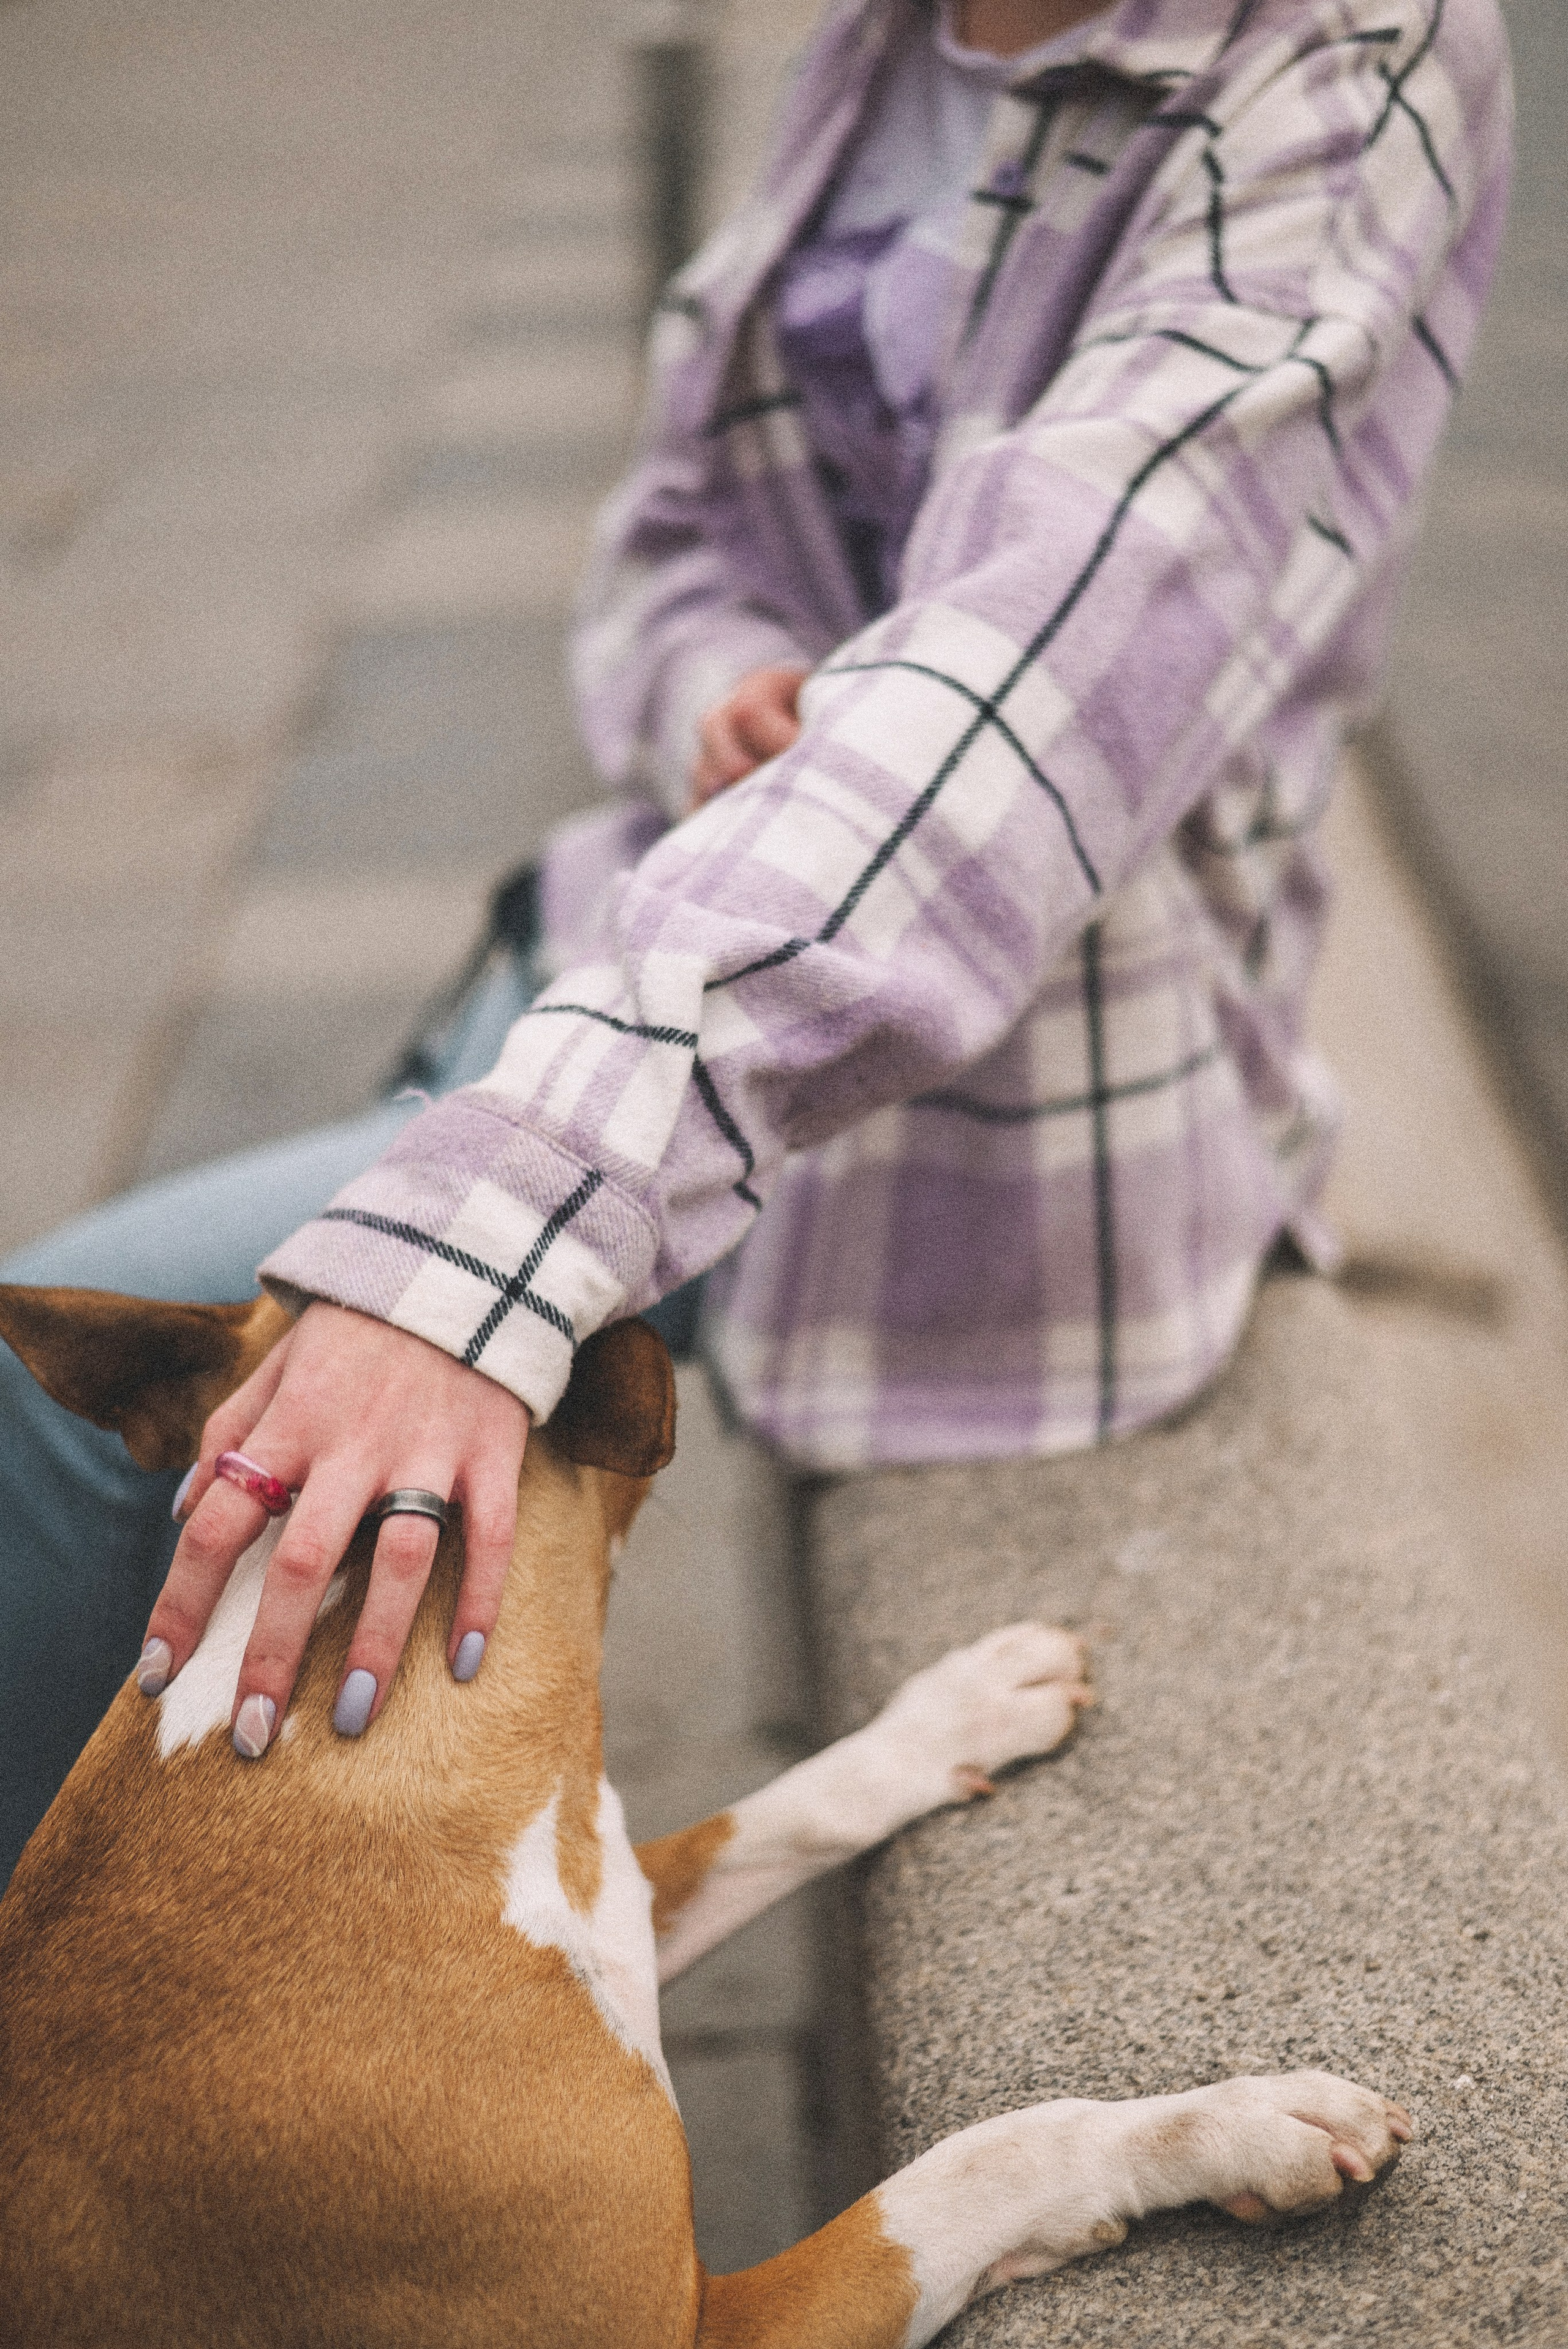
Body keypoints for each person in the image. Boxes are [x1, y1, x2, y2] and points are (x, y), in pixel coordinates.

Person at [0, 0, 1511, 1879]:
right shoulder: (892, 34)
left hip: (949, 1113)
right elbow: (671, 527)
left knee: (59, 1409)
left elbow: (1018, 706)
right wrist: (721, 681)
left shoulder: (1351, 66)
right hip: (651, 966)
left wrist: (494, 1224)